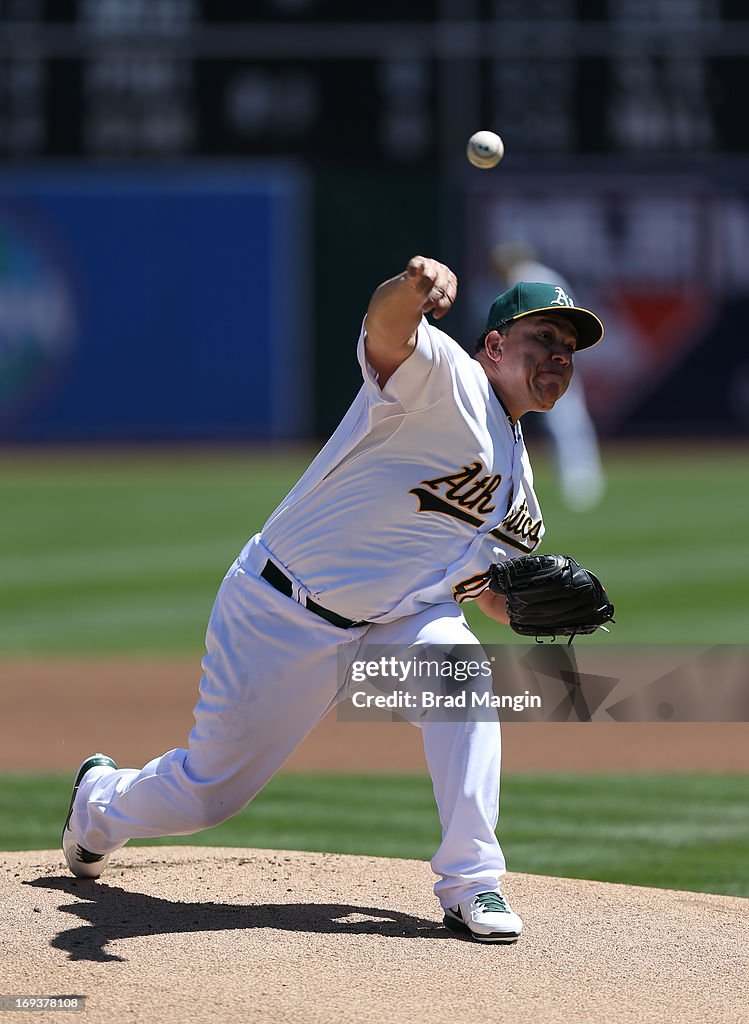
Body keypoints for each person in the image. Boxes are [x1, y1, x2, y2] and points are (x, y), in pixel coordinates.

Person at [62, 256, 605, 945]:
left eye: (567, 349)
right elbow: (386, 330)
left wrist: (522, 608)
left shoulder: (521, 493)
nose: (558, 357)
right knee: (206, 796)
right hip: (281, 611)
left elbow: (482, 592)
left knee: (461, 677)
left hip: (393, 623)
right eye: (542, 341)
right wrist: (412, 290)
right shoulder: (447, 381)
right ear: (494, 345)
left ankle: (473, 883)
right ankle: (97, 804)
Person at [488, 243, 606, 511]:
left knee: (565, 418)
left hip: (548, 360)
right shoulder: (515, 281)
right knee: (560, 418)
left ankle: (581, 477)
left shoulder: (529, 279)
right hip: (534, 362)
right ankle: (577, 477)